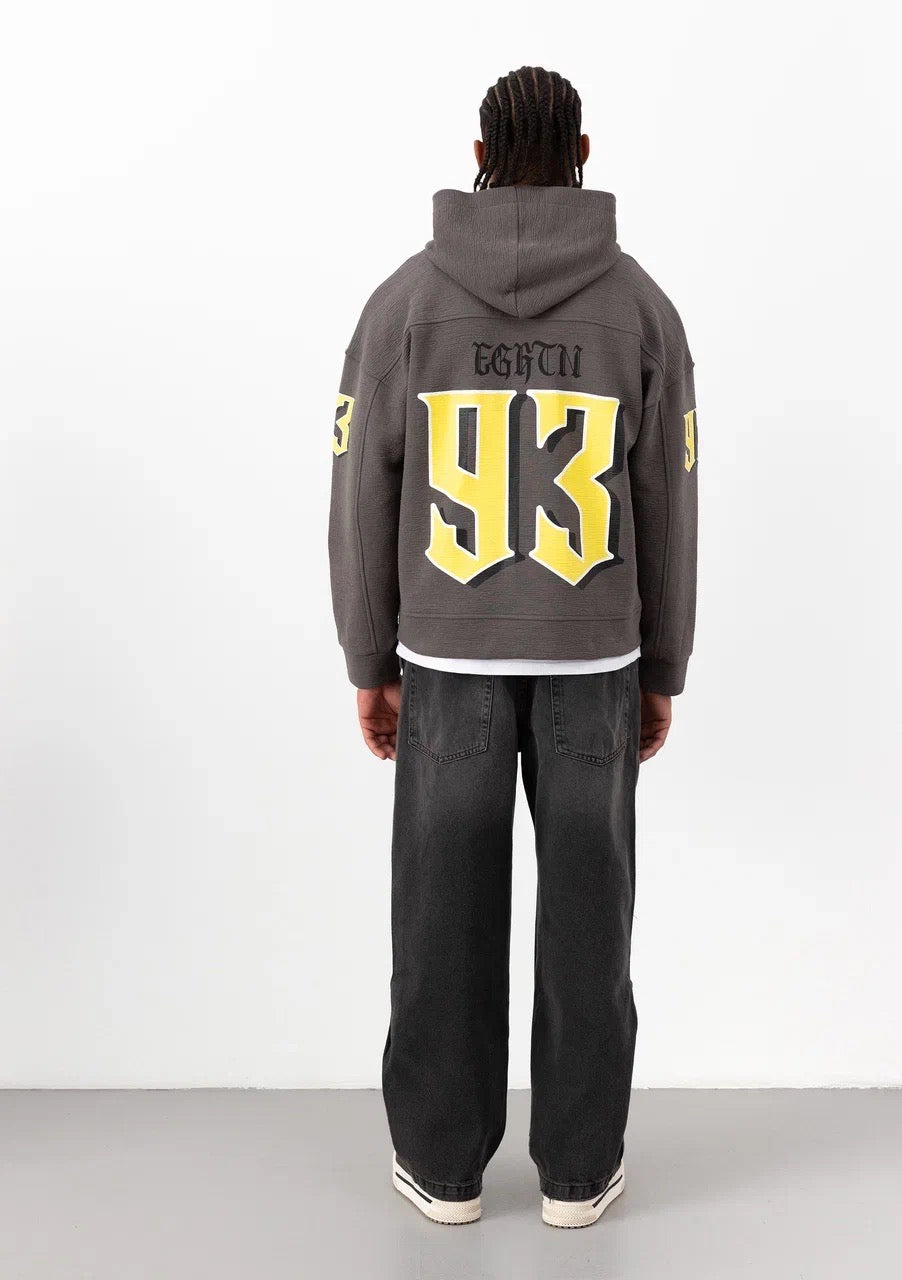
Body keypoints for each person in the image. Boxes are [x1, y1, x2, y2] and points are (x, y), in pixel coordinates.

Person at [328, 65, 698, 1229]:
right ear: (583, 151)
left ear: (477, 151)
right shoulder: (641, 309)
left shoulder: (401, 304)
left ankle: (442, 1166)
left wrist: (369, 657)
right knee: (590, 919)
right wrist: (664, 664)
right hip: (595, 662)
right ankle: (579, 1173)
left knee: (441, 915)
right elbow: (669, 502)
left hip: (448, 658)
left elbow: (359, 493)